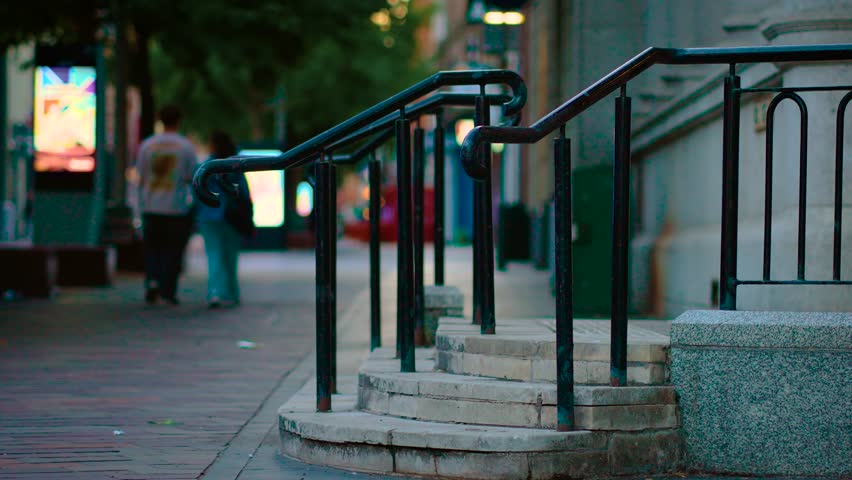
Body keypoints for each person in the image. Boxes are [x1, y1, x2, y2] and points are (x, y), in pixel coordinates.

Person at [136, 105, 197, 305]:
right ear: (179, 121)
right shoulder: (185, 147)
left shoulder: (147, 145)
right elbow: (192, 177)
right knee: (173, 251)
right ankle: (167, 291)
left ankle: (152, 281)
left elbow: (142, 176)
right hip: (175, 207)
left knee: (152, 249)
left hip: (151, 205)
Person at [196, 131, 249, 308]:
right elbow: (244, 192)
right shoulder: (235, 164)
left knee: (214, 255)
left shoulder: (207, 166)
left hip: (210, 215)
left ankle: (215, 292)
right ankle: (232, 293)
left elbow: (196, 189)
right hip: (231, 217)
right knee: (230, 256)